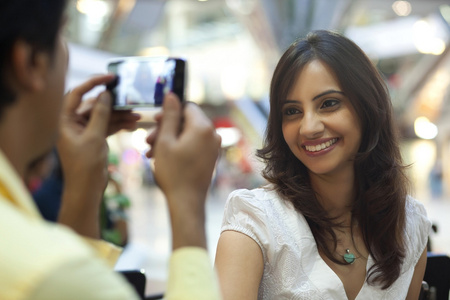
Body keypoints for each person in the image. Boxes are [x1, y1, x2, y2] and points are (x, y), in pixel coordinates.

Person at [0, 0, 222, 299]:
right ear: (31, 62)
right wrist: (187, 205)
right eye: (62, 36)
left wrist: (82, 183)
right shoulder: (47, 273)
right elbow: (67, 277)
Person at [215, 30, 431, 300]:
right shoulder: (253, 221)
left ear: (368, 107)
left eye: (328, 104)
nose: (309, 128)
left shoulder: (410, 224)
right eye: (292, 111)